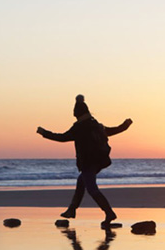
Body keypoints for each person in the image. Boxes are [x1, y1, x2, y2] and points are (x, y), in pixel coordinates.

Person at [36, 95, 132, 223]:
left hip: (88, 162)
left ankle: (109, 213)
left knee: (92, 188)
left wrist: (44, 133)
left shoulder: (79, 127)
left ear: (77, 113)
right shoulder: (95, 124)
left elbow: (63, 137)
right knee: (81, 182)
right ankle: (72, 210)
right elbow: (111, 131)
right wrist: (125, 125)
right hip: (99, 161)